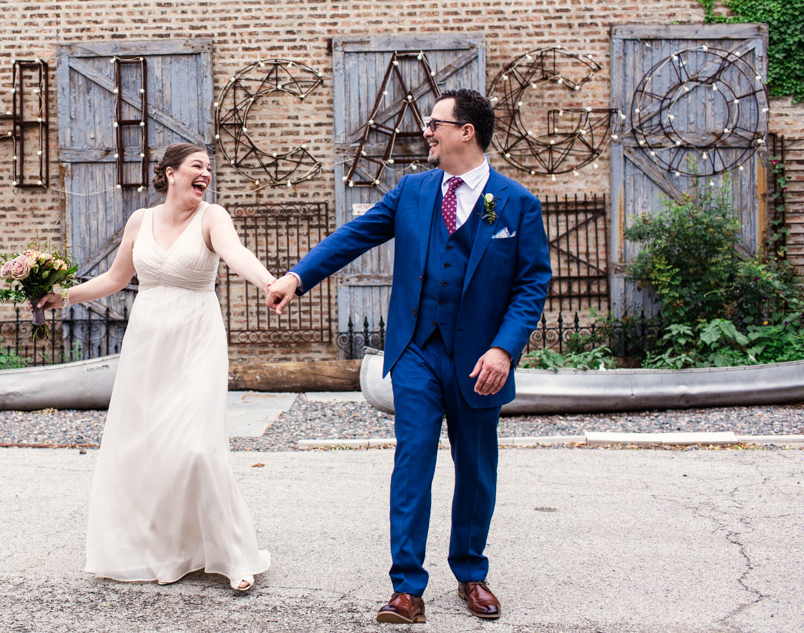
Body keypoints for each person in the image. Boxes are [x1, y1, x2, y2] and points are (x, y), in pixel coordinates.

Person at [267, 89, 551, 623]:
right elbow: (355, 236)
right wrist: (297, 276)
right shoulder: (414, 192)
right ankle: (407, 588)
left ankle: (471, 574)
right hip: (417, 350)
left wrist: (504, 349)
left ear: (466, 131)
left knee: (476, 468)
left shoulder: (516, 203)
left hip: (479, 360)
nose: (426, 131)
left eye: (435, 123)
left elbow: (532, 283)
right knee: (412, 461)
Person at [38, 143, 274, 591]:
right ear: (169, 173)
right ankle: (163, 547)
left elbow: (235, 253)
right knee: (146, 448)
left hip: (197, 340)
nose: (205, 173)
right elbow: (114, 279)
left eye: (208, 168)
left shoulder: (212, 217)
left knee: (199, 449)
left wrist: (268, 281)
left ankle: (232, 555)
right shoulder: (140, 220)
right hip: (148, 344)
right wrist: (61, 295)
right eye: (196, 166)